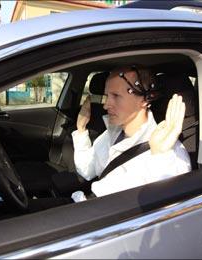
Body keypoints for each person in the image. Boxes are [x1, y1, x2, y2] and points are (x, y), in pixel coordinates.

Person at [71, 65, 191, 201]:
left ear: (145, 99)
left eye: (116, 95)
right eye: (107, 96)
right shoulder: (114, 132)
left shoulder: (168, 151)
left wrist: (160, 155)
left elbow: (168, 205)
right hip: (86, 205)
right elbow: (87, 169)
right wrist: (81, 129)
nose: (106, 105)